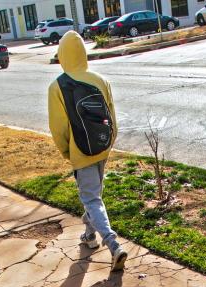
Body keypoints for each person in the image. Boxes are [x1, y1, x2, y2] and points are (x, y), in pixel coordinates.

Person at [48, 32, 128, 272]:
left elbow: (58, 127)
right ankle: (89, 236)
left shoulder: (58, 86)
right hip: (102, 146)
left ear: (62, 55)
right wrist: (109, 142)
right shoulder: (100, 79)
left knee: (91, 198)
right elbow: (112, 117)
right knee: (94, 195)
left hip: (80, 151)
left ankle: (113, 245)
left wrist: (68, 152)